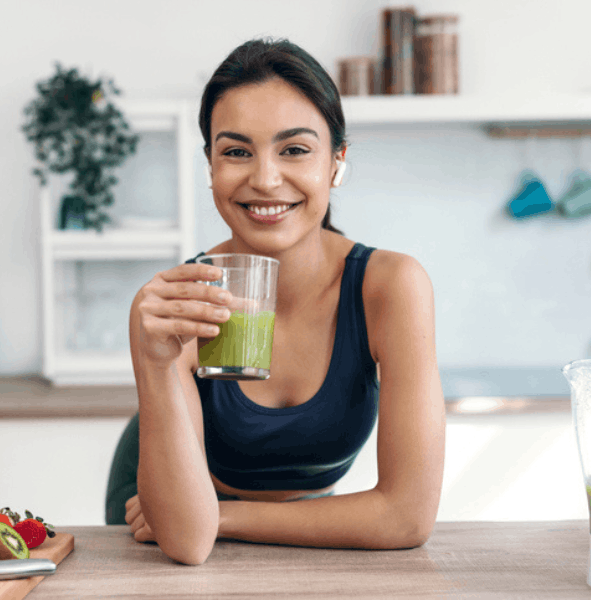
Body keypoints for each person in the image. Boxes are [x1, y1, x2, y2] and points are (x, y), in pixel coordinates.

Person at [105, 37, 446, 565]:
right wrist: (154, 362)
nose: (264, 179)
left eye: (294, 149)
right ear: (211, 166)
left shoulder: (390, 286)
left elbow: (405, 517)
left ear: (336, 162)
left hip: (283, 516)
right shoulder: (176, 303)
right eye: (236, 151)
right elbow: (190, 541)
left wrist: (230, 515)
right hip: (162, 503)